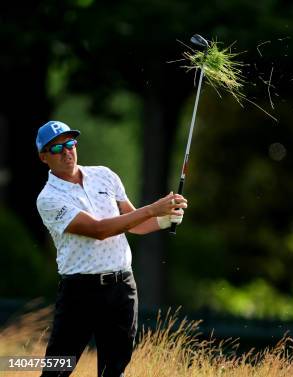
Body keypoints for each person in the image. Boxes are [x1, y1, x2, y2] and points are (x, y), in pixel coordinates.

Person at [35, 120, 187, 377]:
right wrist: (153, 209)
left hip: (121, 288)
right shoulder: (48, 198)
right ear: (43, 157)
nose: (67, 151)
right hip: (80, 291)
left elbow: (133, 223)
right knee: (56, 370)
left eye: (71, 144)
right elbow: (99, 230)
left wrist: (164, 218)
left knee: (114, 370)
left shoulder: (104, 175)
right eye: (57, 148)